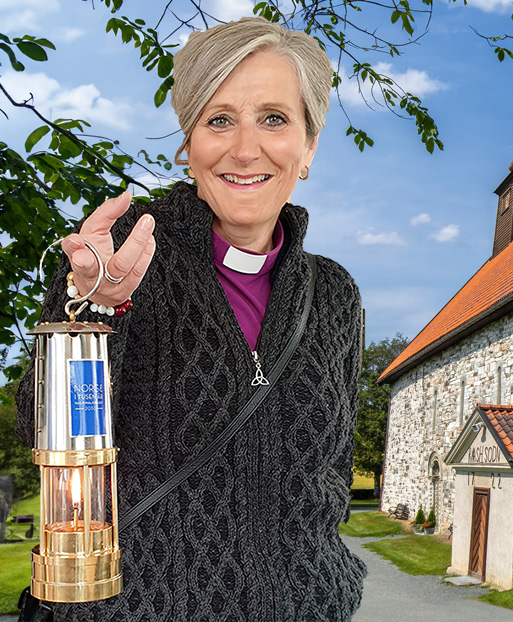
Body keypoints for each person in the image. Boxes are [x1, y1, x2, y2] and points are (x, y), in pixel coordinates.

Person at [17, 17, 367, 621]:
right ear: (190, 144)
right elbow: (40, 430)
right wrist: (98, 306)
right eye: (219, 119)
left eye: (275, 119)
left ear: (308, 147)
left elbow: (331, 474)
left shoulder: (333, 293)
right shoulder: (121, 255)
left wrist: (330, 588)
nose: (245, 148)